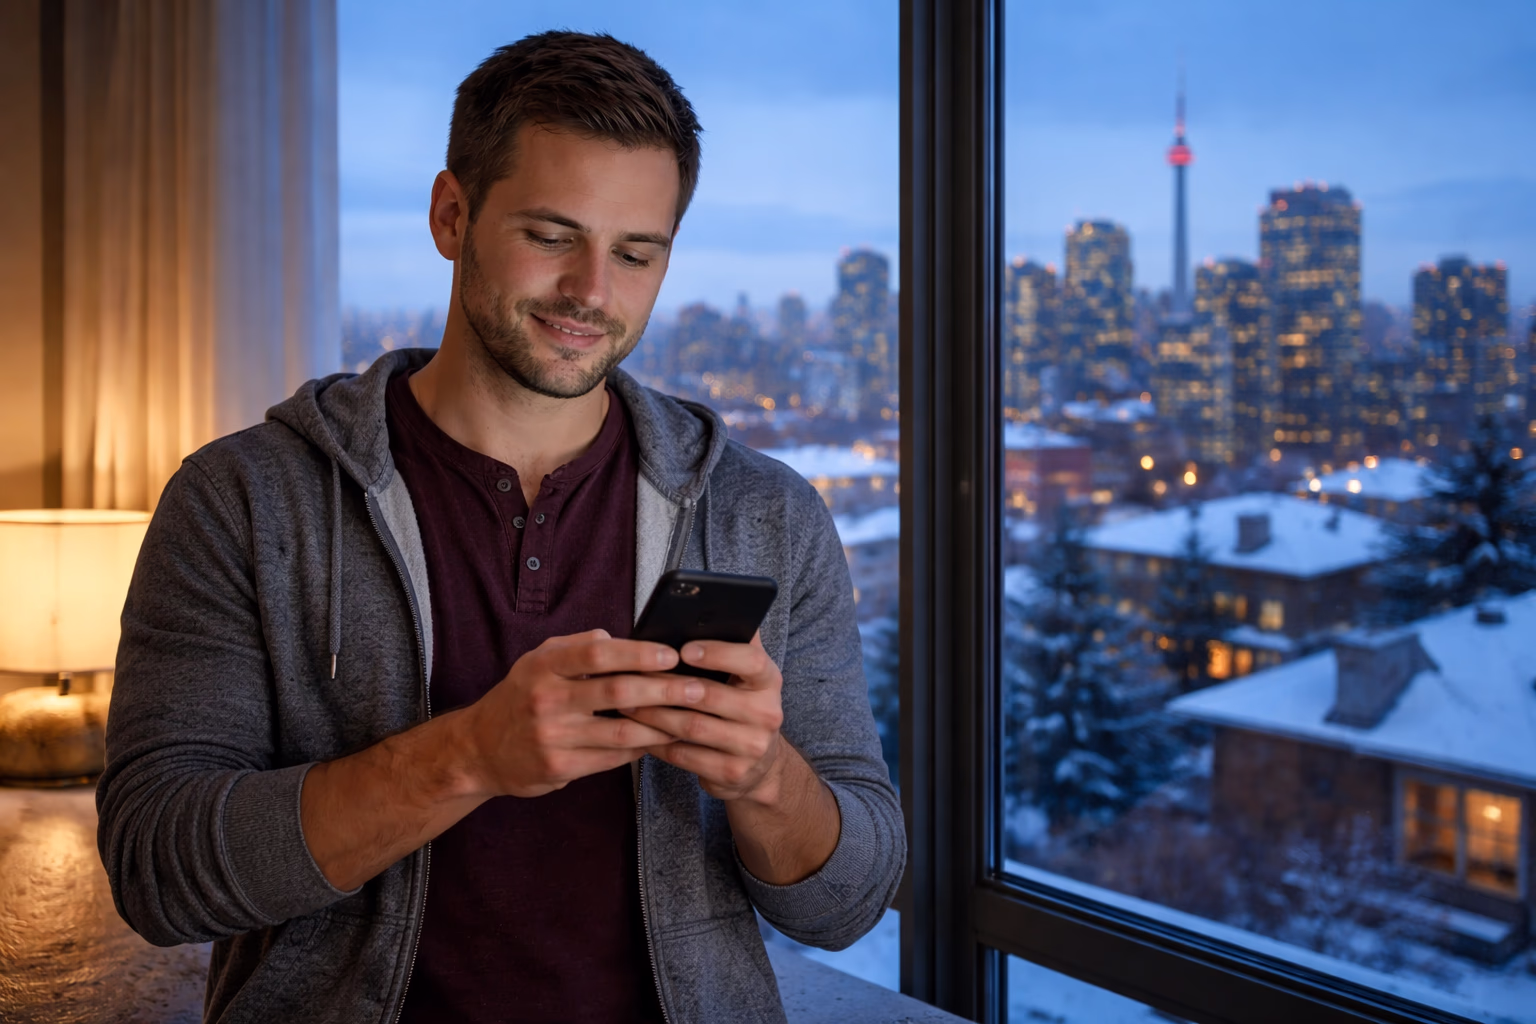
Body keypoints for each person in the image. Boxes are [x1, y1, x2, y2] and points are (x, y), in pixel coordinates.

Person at [97, 30, 904, 1024]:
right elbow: (157, 873)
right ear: (452, 214)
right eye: (552, 234)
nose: (592, 293)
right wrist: (468, 756)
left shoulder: (765, 516)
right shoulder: (244, 501)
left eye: (635, 252)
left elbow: (851, 898)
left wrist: (763, 775)